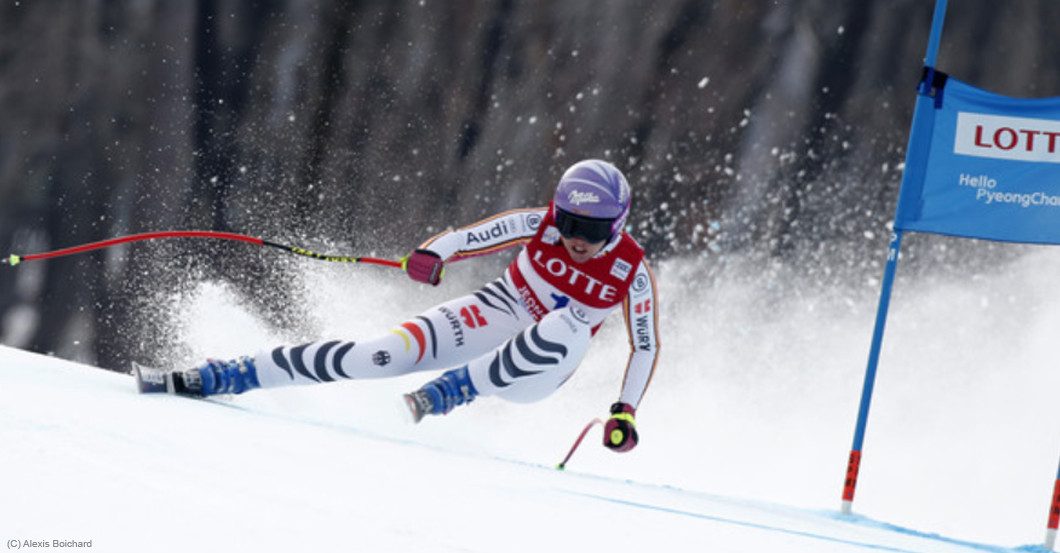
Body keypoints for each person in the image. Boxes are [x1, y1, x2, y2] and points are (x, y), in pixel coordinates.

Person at [168, 159, 660, 453]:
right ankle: (233, 374)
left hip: (539, 371)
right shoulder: (540, 222)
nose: (576, 240)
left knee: (566, 323)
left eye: (592, 232)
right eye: (569, 224)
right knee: (380, 355)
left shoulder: (632, 271)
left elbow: (645, 346)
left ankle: (451, 391)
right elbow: (471, 237)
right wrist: (431, 255)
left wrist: (625, 411)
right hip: (499, 309)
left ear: (617, 226)